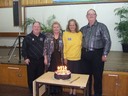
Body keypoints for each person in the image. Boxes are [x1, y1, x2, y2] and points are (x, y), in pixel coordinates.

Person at [80, 9, 111, 96]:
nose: (91, 16)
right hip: (85, 55)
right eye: (89, 14)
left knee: (97, 77)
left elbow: (107, 41)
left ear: (96, 16)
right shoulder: (83, 29)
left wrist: (105, 54)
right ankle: (87, 93)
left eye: (93, 14)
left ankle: (97, 94)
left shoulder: (102, 26)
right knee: (86, 77)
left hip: (97, 54)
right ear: (86, 16)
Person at [22, 21, 46, 93]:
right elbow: (24, 49)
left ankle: (40, 91)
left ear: (40, 28)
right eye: (35, 26)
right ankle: (32, 92)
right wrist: (25, 58)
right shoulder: (27, 37)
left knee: (40, 77)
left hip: (41, 60)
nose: (36, 28)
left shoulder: (43, 37)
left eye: (38, 27)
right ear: (32, 28)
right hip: (31, 61)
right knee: (31, 77)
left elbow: (46, 48)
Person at [63, 19, 82, 96]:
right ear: (68, 26)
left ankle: (74, 89)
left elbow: (81, 45)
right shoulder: (65, 34)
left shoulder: (80, 33)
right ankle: (71, 88)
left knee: (76, 75)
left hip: (77, 58)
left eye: (73, 25)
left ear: (76, 25)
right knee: (69, 75)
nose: (72, 26)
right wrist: (65, 57)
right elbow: (64, 46)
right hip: (69, 58)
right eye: (70, 25)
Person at [43, 21, 63, 95]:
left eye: (57, 27)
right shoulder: (48, 36)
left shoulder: (62, 36)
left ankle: (58, 90)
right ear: (52, 28)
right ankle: (51, 90)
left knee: (59, 73)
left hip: (59, 58)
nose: (56, 28)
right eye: (54, 27)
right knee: (51, 73)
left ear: (59, 28)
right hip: (50, 58)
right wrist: (45, 58)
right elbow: (45, 48)